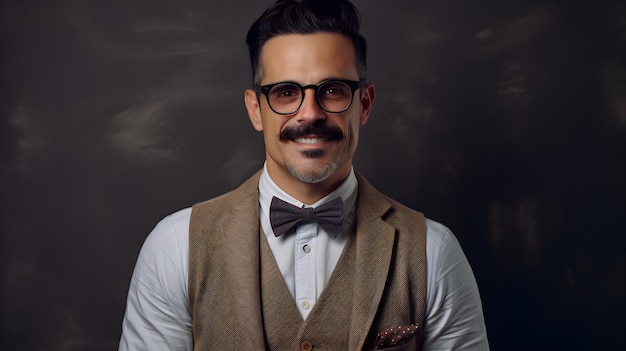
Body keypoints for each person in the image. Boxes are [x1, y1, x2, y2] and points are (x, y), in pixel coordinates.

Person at [119, 0, 489, 350]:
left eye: (332, 90)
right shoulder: (174, 247)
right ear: (255, 110)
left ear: (364, 104)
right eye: (285, 92)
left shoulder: (434, 252)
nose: (309, 113)